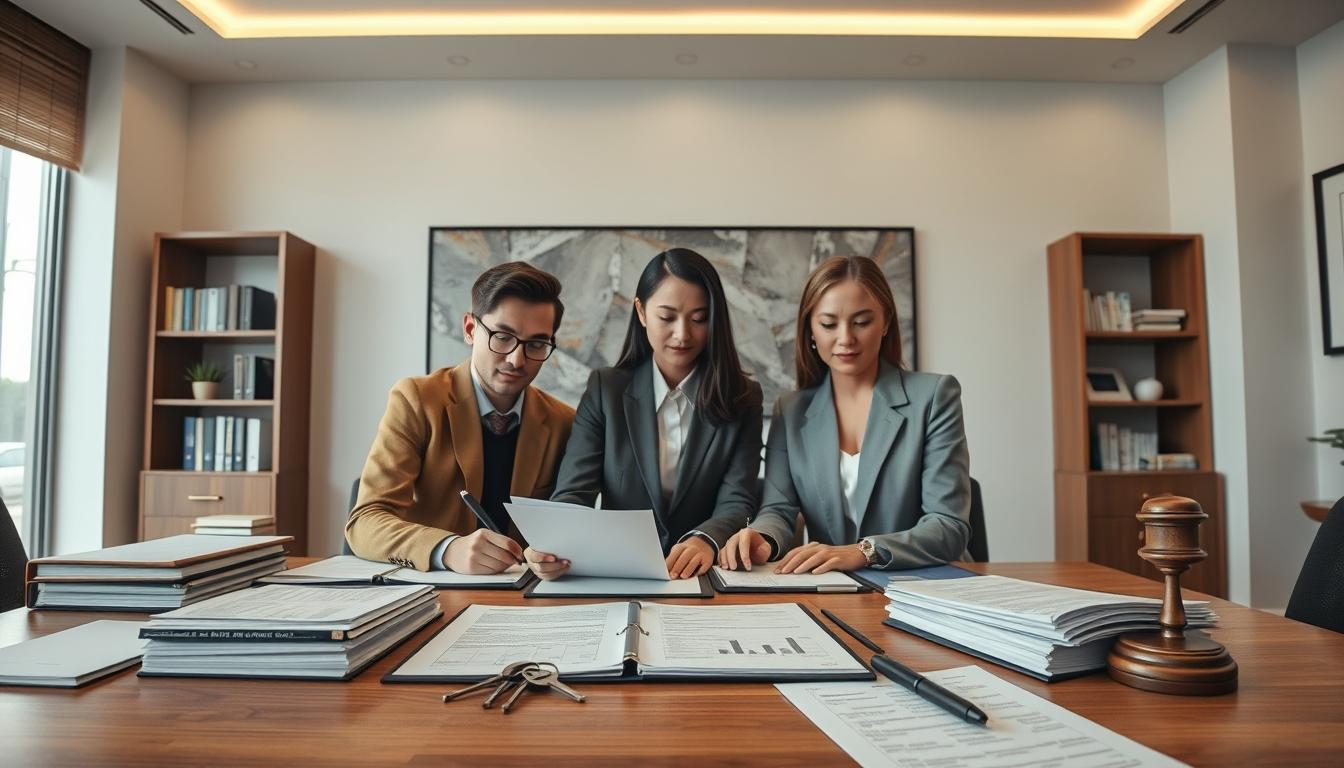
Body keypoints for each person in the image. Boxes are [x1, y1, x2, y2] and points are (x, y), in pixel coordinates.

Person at [721, 255, 971, 574]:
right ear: (810, 330)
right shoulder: (792, 410)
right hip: (837, 591)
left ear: (886, 323)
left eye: (862, 322)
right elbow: (779, 509)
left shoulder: (935, 396)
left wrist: (865, 551)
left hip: (926, 588)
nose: (845, 339)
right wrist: (762, 537)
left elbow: (949, 525)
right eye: (828, 324)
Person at [527, 247, 763, 580]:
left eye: (699, 318)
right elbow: (574, 491)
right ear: (641, 312)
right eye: (667, 317)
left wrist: (705, 539)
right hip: (619, 573)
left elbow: (738, 498)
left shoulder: (742, 397)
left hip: (704, 574)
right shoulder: (605, 390)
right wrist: (554, 545)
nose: (683, 334)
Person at [346, 262, 575, 573]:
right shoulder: (416, 400)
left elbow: (568, 526)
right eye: (502, 336)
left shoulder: (564, 421)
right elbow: (365, 522)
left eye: (536, 344)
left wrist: (555, 555)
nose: (516, 359)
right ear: (470, 329)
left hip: (522, 597)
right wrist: (447, 549)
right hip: (431, 594)